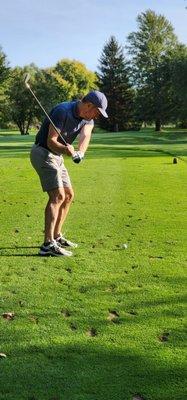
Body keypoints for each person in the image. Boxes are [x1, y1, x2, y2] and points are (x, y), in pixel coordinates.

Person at [30, 90, 108, 257]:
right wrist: (66, 150)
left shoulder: (88, 118)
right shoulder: (62, 111)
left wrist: (80, 152)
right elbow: (51, 142)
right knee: (57, 196)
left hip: (57, 156)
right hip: (43, 152)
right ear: (89, 105)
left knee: (68, 195)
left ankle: (56, 236)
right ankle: (47, 244)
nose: (97, 116)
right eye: (97, 111)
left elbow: (85, 136)